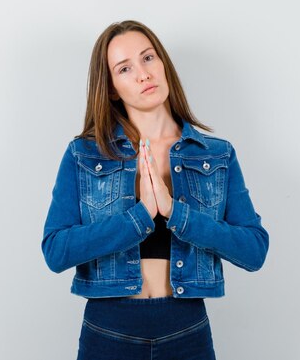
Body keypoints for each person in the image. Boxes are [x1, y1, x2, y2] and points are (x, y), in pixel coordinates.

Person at [41, 20, 269, 359]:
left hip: (186, 330)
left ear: (163, 63)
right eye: (125, 68)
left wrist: (176, 212)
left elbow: (253, 250)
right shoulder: (84, 155)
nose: (143, 74)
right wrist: (141, 215)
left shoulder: (216, 155)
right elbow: (56, 251)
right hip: (109, 331)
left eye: (148, 58)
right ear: (113, 88)